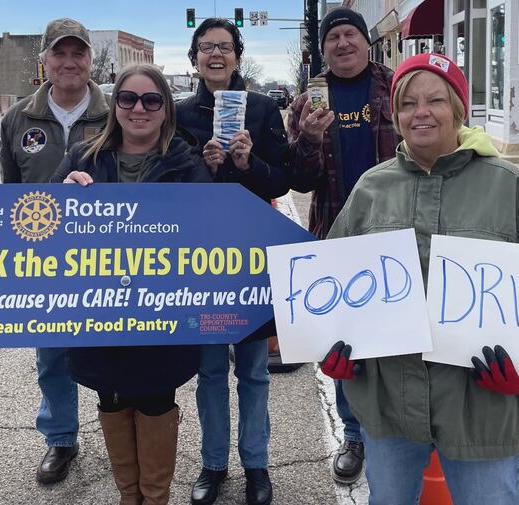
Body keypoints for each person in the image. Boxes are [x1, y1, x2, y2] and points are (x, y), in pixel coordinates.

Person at [320, 52, 519, 504]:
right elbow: (331, 288)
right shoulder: (370, 188)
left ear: (458, 110)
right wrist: (329, 347)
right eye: (408, 103)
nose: (420, 112)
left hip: (481, 405)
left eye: (435, 101)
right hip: (389, 404)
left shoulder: (505, 184)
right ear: (395, 114)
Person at [51, 63, 211, 505]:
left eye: (151, 100)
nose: (139, 108)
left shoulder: (185, 163)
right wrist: (61, 195)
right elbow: (41, 227)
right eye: (128, 98)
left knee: (156, 399)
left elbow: (209, 234)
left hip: (162, 314)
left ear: (165, 110)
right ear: (114, 105)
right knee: (112, 399)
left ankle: (154, 498)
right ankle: (129, 496)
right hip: (96, 309)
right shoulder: (82, 158)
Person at [176, 17, 290, 505]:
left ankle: (257, 466)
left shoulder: (263, 108)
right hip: (200, 258)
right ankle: (213, 463)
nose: (215, 55)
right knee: (209, 371)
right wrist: (204, 167)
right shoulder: (178, 114)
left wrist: (248, 164)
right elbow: (171, 186)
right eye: (206, 48)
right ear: (195, 58)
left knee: (254, 370)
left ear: (239, 56)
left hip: (251, 256)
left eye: (224, 47)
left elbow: (282, 181)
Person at [285, 7, 400, 485]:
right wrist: (308, 140)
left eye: (350, 33)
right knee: (345, 343)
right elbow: (301, 176)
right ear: (324, 48)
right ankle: (353, 433)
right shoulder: (307, 100)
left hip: (397, 231)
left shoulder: (397, 87)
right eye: (334, 36)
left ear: (367, 41)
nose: (342, 43)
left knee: (399, 338)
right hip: (335, 231)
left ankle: (396, 431)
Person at [0, 17, 109, 485]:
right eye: (59, 53)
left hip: (110, 259)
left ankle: (122, 437)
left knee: (112, 351)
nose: (69, 62)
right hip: (46, 261)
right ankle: (61, 438)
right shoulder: (18, 118)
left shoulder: (117, 112)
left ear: (89, 60)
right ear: (43, 60)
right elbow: (9, 194)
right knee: (52, 357)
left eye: (78, 53)